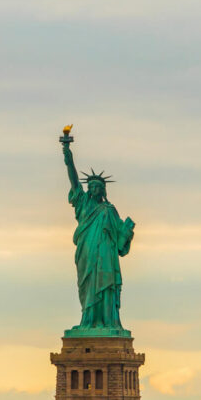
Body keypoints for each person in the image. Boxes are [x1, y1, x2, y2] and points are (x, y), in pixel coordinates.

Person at [61, 141, 135, 331]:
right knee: (87, 286)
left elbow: (120, 240)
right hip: (86, 251)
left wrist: (127, 231)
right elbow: (74, 181)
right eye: (91, 187)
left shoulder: (109, 210)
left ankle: (107, 321)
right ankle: (89, 320)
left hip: (106, 256)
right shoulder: (83, 204)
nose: (93, 189)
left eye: (97, 187)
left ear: (103, 190)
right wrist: (69, 159)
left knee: (105, 285)